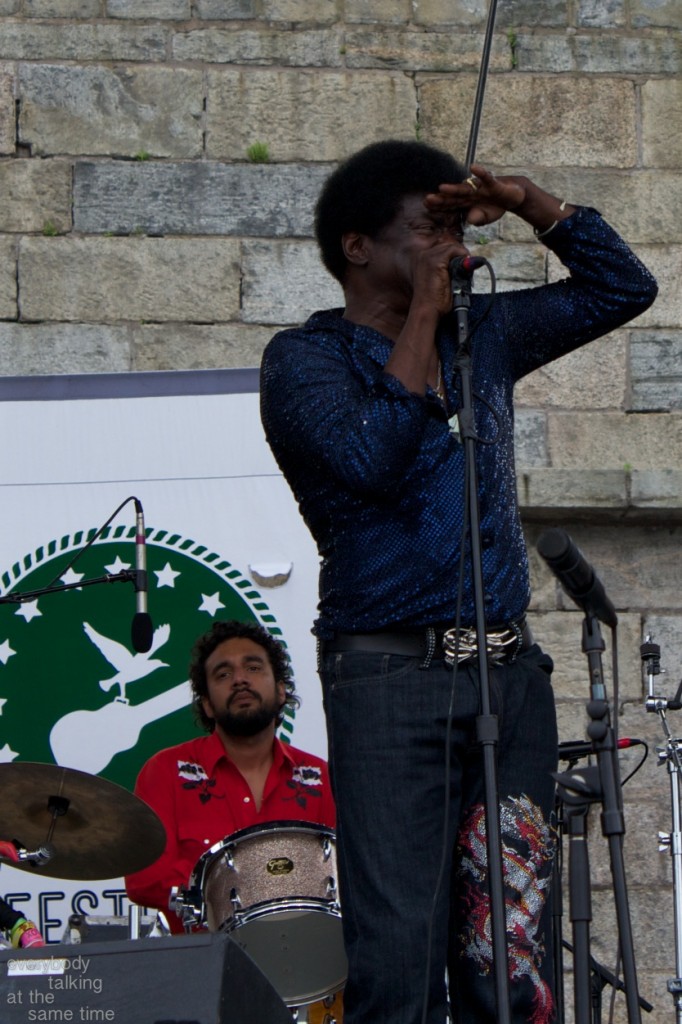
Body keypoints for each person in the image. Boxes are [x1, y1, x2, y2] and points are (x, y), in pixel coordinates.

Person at [259, 140, 658, 1024]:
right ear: (358, 246)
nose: (449, 247)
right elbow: (371, 456)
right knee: (397, 957)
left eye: (456, 230)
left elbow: (623, 288)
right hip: (389, 679)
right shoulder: (304, 360)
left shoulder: (484, 340)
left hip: (508, 680)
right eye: (426, 230)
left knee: (509, 960)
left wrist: (529, 203)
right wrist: (426, 313)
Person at [125, 619, 336, 933]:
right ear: (207, 704)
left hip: (307, 955)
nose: (239, 679)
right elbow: (144, 880)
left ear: (281, 690)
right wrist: (231, 888)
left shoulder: (320, 777)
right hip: (202, 958)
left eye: (253, 668)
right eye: (223, 674)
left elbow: (348, 876)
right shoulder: (165, 771)